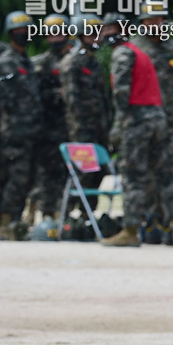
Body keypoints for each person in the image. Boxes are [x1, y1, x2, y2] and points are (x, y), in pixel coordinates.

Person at [99, 14, 169, 247]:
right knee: (159, 173)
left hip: (137, 117)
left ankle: (130, 230)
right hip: (156, 116)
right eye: (105, 28)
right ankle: (171, 225)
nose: (108, 33)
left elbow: (121, 92)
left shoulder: (122, 53)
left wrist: (118, 126)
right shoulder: (140, 52)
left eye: (112, 29)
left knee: (132, 175)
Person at [136, 2, 173, 247]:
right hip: (141, 122)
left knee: (170, 172)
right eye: (150, 20)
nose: (154, 24)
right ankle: (150, 220)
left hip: (169, 122)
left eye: (158, 19)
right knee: (144, 173)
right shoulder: (134, 49)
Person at [0, 11, 43, 240]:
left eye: (25, 31)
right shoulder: (6, 62)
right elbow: (1, 101)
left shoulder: (26, 62)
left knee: (23, 180)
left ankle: (11, 222)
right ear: (10, 35)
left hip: (29, 132)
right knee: (10, 179)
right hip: (11, 133)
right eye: (17, 32)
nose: (22, 35)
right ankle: (3, 223)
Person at [59, 15, 112, 217]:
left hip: (99, 129)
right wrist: (80, 131)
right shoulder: (72, 63)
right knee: (83, 173)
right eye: (91, 35)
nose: (96, 39)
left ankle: (87, 216)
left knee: (97, 173)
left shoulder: (94, 64)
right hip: (82, 131)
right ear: (81, 37)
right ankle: (69, 215)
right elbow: (72, 102)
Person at [29, 13, 74, 227]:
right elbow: (32, 97)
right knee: (45, 173)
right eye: (51, 35)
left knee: (69, 174)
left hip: (73, 128)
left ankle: (65, 214)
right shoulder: (38, 64)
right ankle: (45, 214)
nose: (56, 38)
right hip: (46, 129)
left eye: (59, 34)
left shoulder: (76, 61)